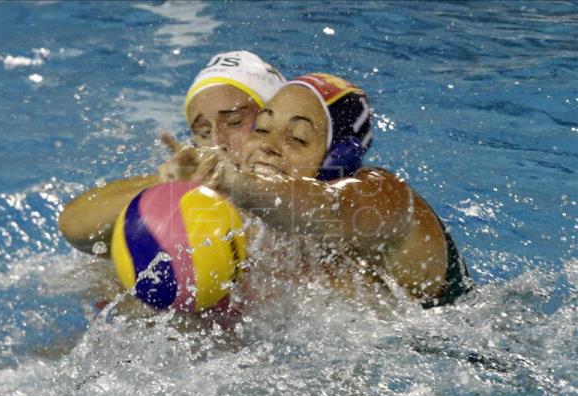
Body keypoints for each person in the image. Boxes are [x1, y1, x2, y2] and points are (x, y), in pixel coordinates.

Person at [168, 73, 472, 307]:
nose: (267, 147)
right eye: (261, 129)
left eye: (298, 138)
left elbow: (330, 209)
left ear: (338, 156)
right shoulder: (252, 220)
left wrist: (236, 185)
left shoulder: (385, 197)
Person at [58, 51, 285, 256]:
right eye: (204, 132)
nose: (217, 141)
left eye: (234, 123)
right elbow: (74, 226)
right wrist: (167, 187)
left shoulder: (308, 198)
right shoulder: (192, 203)